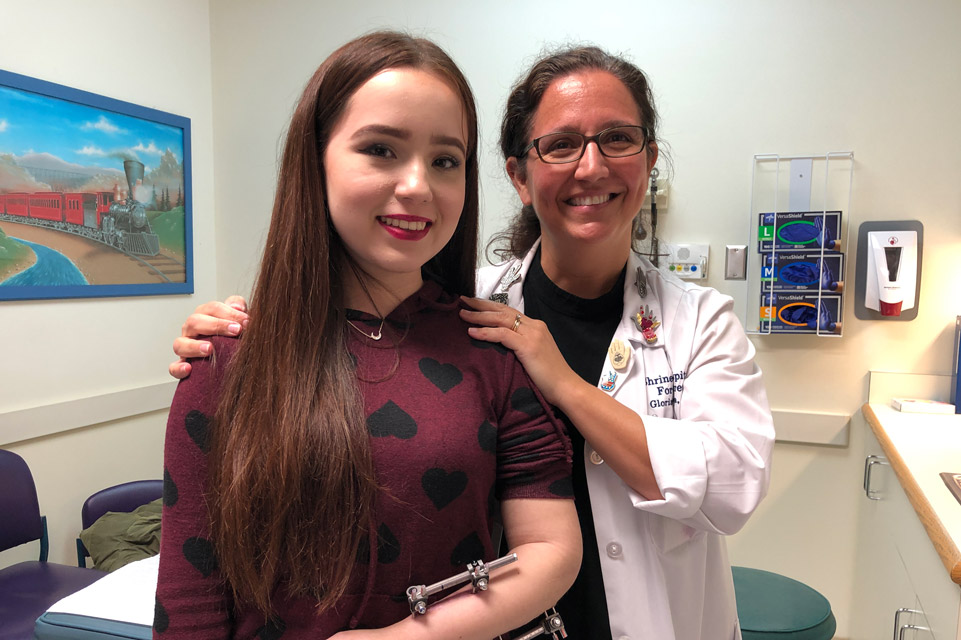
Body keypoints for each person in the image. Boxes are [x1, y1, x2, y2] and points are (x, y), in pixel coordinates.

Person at [170, 44, 774, 640]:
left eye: (618, 139)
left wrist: (562, 383)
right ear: (518, 174)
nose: (591, 167)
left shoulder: (696, 322)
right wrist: (236, 336)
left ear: (649, 159)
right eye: (561, 144)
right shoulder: (474, 316)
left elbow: (733, 489)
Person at [155, 31, 581, 640]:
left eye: (445, 160)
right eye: (381, 149)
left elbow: (551, 548)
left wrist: (412, 637)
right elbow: (189, 599)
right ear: (316, 159)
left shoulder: (491, 350)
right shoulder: (226, 357)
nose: (417, 185)